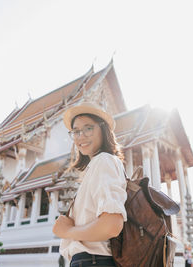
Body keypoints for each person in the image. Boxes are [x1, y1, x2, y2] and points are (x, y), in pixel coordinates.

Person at [53, 102, 127, 267]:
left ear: (103, 129)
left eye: (88, 128)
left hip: (93, 261)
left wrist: (67, 232)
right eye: (76, 131)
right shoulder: (95, 166)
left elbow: (111, 225)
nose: (81, 136)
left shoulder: (104, 160)